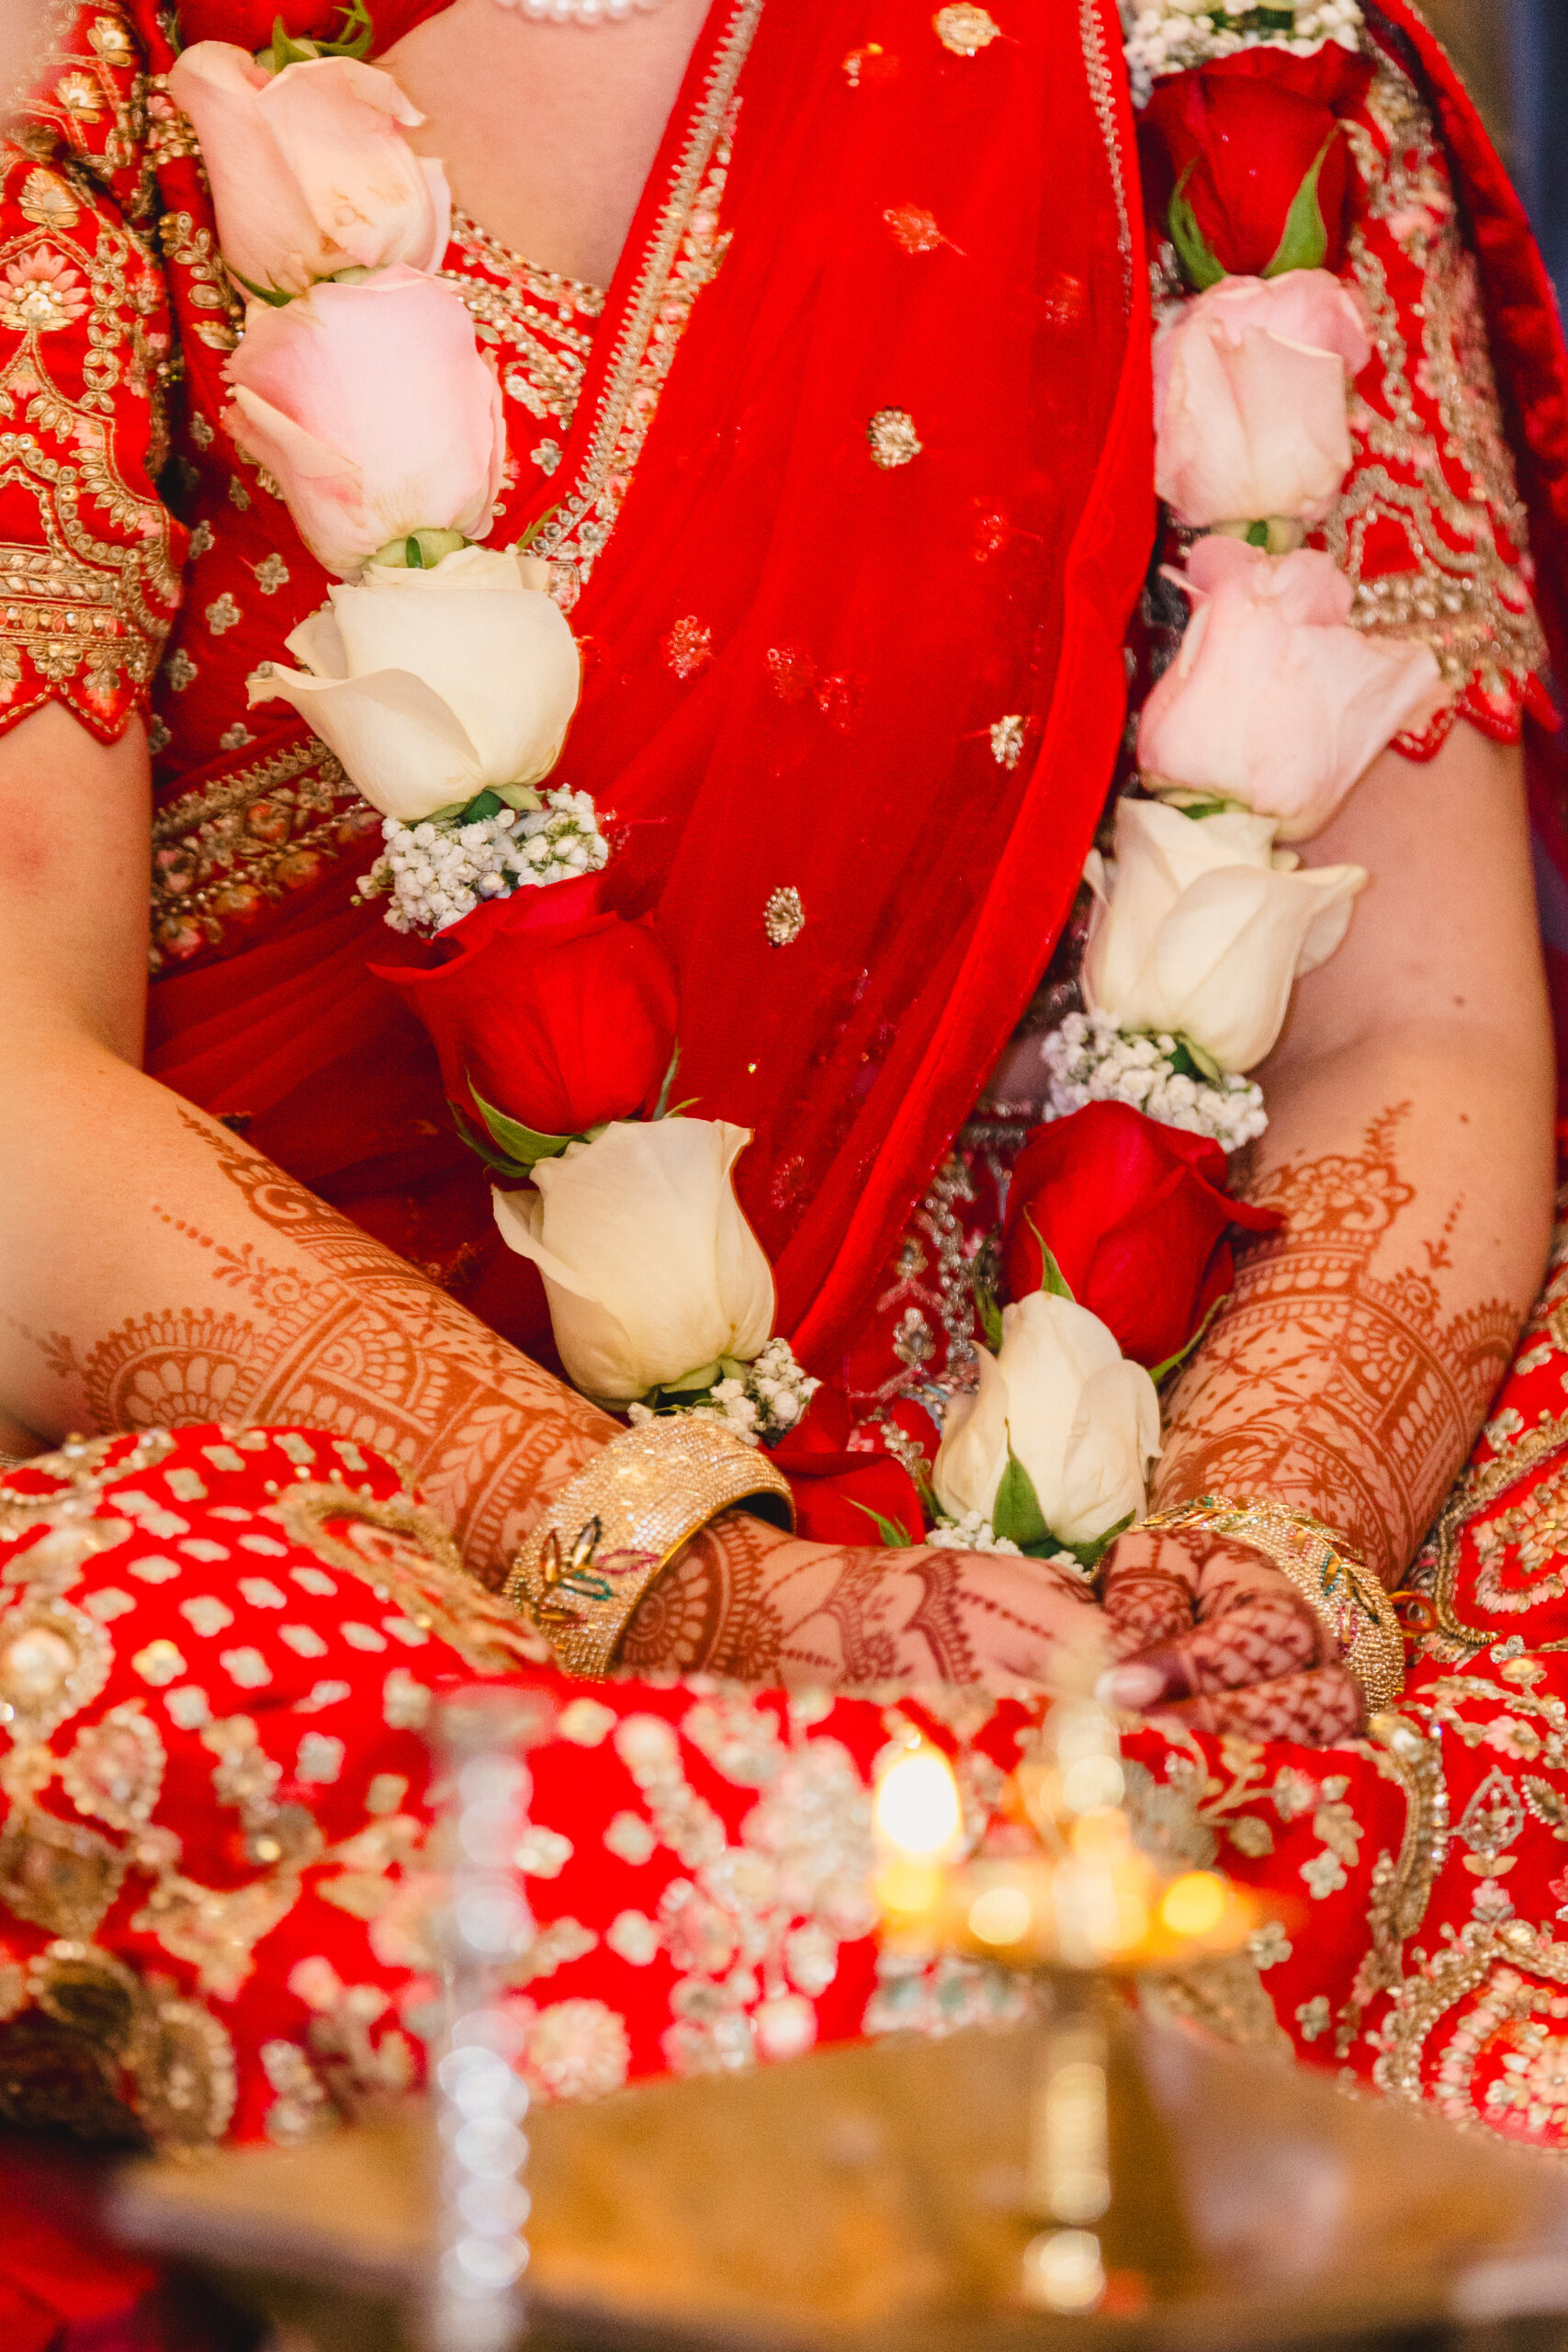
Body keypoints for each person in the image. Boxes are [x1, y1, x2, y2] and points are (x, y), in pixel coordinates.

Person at [3, 0, 1568, 2218]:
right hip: (346, 1495)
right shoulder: (92, 78)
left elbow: (1407, 1023)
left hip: (1121, 1425)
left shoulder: (1228, 61)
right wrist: (686, 1579)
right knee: (125, 1646)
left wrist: (1260, 1540)